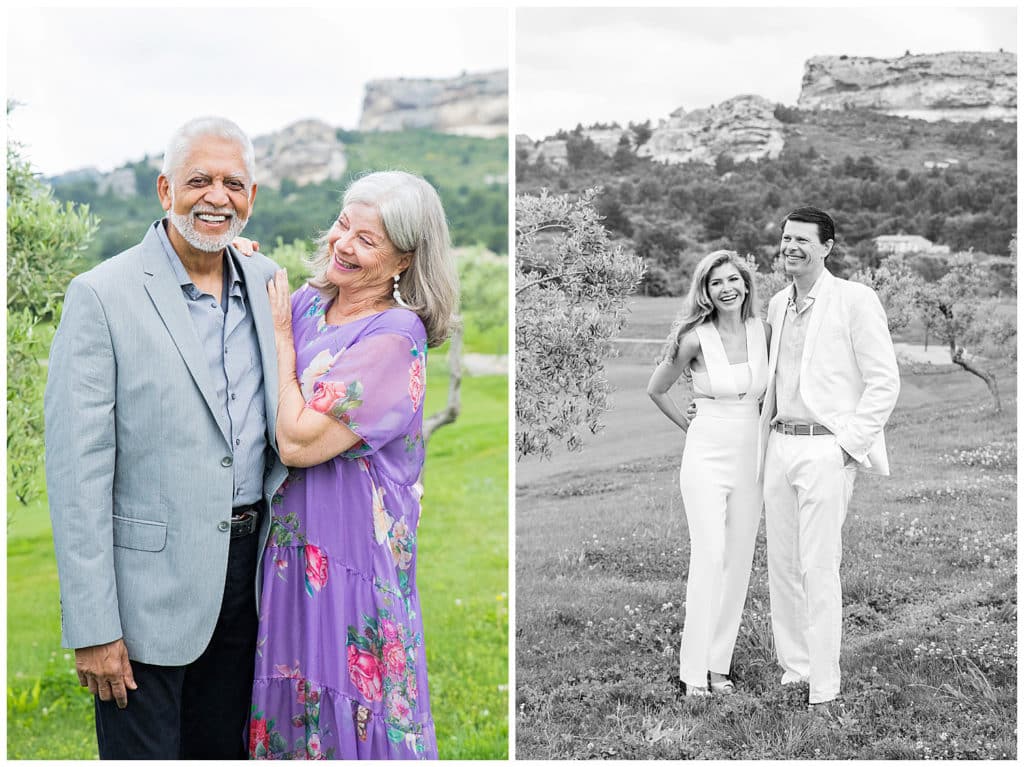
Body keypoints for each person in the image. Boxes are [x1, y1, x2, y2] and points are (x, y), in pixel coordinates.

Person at [44, 116, 287, 758]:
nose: (217, 196)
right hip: (143, 595)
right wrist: (94, 627)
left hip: (251, 584)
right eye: (198, 180)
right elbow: (77, 476)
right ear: (164, 190)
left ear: (252, 198)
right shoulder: (100, 295)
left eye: (233, 183)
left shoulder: (270, 285)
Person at [245, 171, 458, 759]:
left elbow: (297, 440)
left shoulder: (395, 333)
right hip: (290, 549)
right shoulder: (310, 305)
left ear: (404, 260)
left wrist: (282, 339)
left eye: (367, 239)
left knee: (351, 704)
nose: (343, 244)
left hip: (352, 558)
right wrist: (234, 265)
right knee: (292, 688)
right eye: (344, 225)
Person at [758, 206, 900, 710]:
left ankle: (824, 683)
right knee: (782, 563)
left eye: (801, 239)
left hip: (825, 447)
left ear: (826, 247)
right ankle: (795, 669)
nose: (790, 247)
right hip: (779, 445)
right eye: (785, 238)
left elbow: (885, 382)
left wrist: (846, 446)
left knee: (819, 567)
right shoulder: (776, 304)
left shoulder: (854, 300)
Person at [647, 251, 770, 696]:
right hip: (706, 455)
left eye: (733, 279)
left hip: (752, 455)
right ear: (706, 290)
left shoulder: (765, 332)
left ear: (746, 283)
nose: (727, 288)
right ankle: (692, 672)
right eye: (716, 282)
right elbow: (656, 388)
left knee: (738, 562)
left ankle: (720, 666)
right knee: (709, 557)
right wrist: (689, 424)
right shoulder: (695, 338)